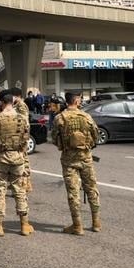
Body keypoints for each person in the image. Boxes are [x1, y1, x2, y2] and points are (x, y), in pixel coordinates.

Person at [51, 92, 101, 235]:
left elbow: (54, 138)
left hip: (69, 159)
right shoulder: (86, 116)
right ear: (77, 101)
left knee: (73, 193)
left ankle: (77, 225)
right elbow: (96, 136)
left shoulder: (59, 118)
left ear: (66, 101)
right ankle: (96, 222)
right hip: (86, 158)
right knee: (91, 189)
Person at [0, 93, 33, 237]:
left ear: (1, 102)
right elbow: (26, 135)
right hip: (18, 157)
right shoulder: (22, 118)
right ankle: (24, 225)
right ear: (13, 102)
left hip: (0, 158)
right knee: (20, 191)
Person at [10, 87, 32, 194]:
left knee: (24, 160)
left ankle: (26, 183)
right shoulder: (16, 106)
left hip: (22, 137)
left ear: (17, 96)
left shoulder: (21, 106)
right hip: (18, 136)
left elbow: (24, 121)